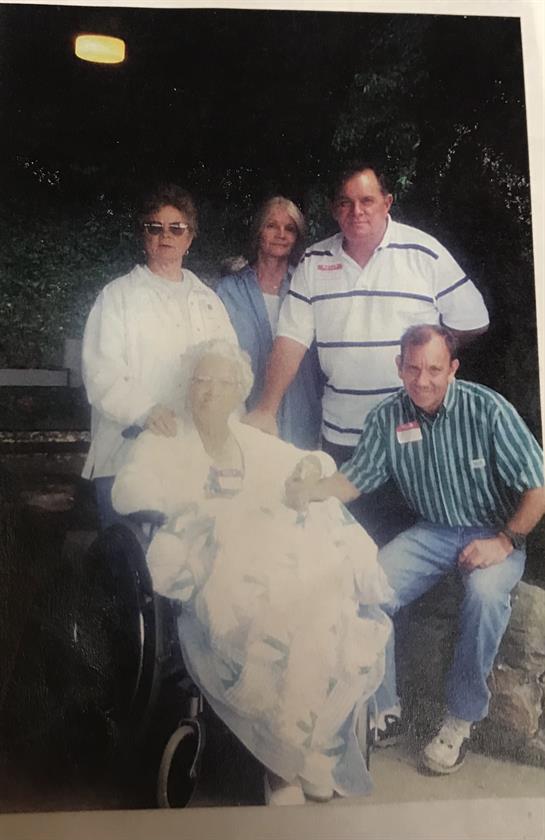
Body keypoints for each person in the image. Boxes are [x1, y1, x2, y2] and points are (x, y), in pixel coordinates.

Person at [111, 339, 393, 805]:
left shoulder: (252, 442)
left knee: (321, 608)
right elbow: (127, 491)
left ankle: (310, 749)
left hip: (267, 563)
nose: (210, 392)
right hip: (208, 566)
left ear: (239, 392)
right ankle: (281, 770)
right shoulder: (165, 439)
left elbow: (316, 462)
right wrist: (190, 504)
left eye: (223, 383)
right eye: (201, 380)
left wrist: (308, 468)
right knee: (275, 616)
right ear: (188, 387)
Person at [285, 323, 545, 775]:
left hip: (495, 532)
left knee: (485, 596)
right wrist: (310, 490)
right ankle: (387, 710)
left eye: (434, 369)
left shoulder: (488, 409)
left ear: (453, 368)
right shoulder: (388, 417)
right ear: (399, 367)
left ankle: (460, 720)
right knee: (366, 586)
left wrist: (504, 541)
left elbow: (537, 489)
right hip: (434, 532)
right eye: (413, 368)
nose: (422, 380)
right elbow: (354, 479)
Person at [245, 162, 490, 545]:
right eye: (345, 203)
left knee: (407, 546)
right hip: (342, 432)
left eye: (367, 200)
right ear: (333, 209)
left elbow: (473, 319)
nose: (356, 211)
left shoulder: (423, 252)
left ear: (387, 202)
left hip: (411, 432)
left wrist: (431, 363)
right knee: (347, 542)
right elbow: (291, 339)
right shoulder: (314, 260)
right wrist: (265, 408)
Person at [81, 183, 236, 529]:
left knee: (183, 554)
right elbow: (101, 372)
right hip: (125, 457)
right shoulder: (117, 297)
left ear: (189, 237)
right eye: (155, 227)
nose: (166, 236)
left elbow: (230, 369)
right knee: (130, 556)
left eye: (176, 228)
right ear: (144, 235)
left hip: (194, 458)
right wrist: (145, 411)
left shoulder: (208, 301)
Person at [216, 196, 323, 449]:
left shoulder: (309, 286)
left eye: (290, 228)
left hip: (302, 414)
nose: (281, 234)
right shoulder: (229, 289)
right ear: (258, 231)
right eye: (272, 226)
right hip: (245, 413)